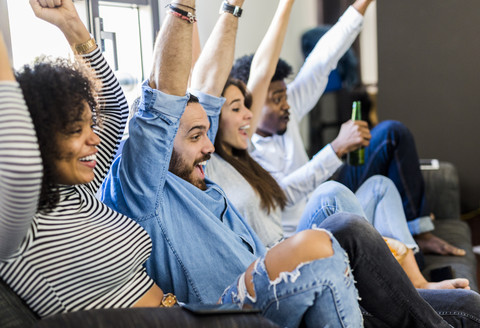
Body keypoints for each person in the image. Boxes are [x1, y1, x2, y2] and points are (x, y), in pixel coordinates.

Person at [100, 0, 480, 327]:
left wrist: (233, 6)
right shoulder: (145, 189)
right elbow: (163, 99)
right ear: (159, 144)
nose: (209, 146)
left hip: (278, 273)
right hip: (240, 307)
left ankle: (409, 292)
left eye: (207, 132)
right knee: (327, 229)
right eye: (196, 137)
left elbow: (210, 82)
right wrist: (185, 5)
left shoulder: (203, 173)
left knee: (461, 302)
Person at [229, 0, 465, 257]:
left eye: (285, 96)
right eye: (276, 99)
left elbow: (323, 60)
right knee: (333, 191)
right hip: (301, 232)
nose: (286, 105)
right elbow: (282, 195)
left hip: (324, 200)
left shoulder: (288, 108)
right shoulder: (242, 145)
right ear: (251, 107)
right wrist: (336, 148)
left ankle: (418, 238)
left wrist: (362, 4)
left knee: (390, 138)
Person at [0, 0, 172, 318]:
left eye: (90, 124)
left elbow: (114, 109)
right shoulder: (20, 227)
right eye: (75, 129)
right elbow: (21, 167)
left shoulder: (78, 190)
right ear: (36, 137)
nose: (94, 137)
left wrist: (70, 23)